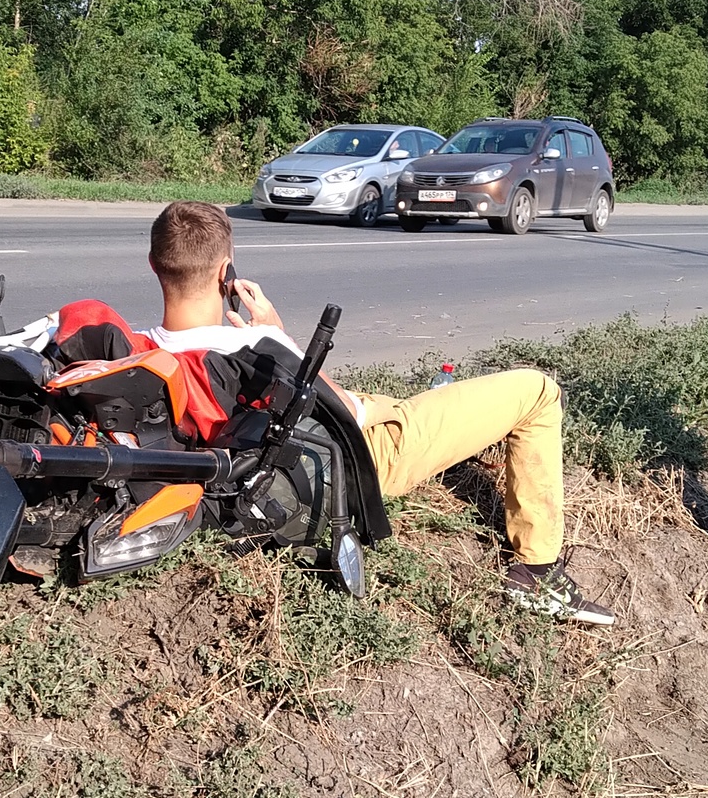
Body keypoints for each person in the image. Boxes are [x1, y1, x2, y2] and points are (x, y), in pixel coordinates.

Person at [137, 199, 616, 624]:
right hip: (363, 455)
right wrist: (280, 334)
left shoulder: (142, 357)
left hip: (269, 455)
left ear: (155, 266)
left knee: (411, 402)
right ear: (227, 275)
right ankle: (537, 572)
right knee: (537, 391)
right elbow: (347, 413)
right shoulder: (257, 347)